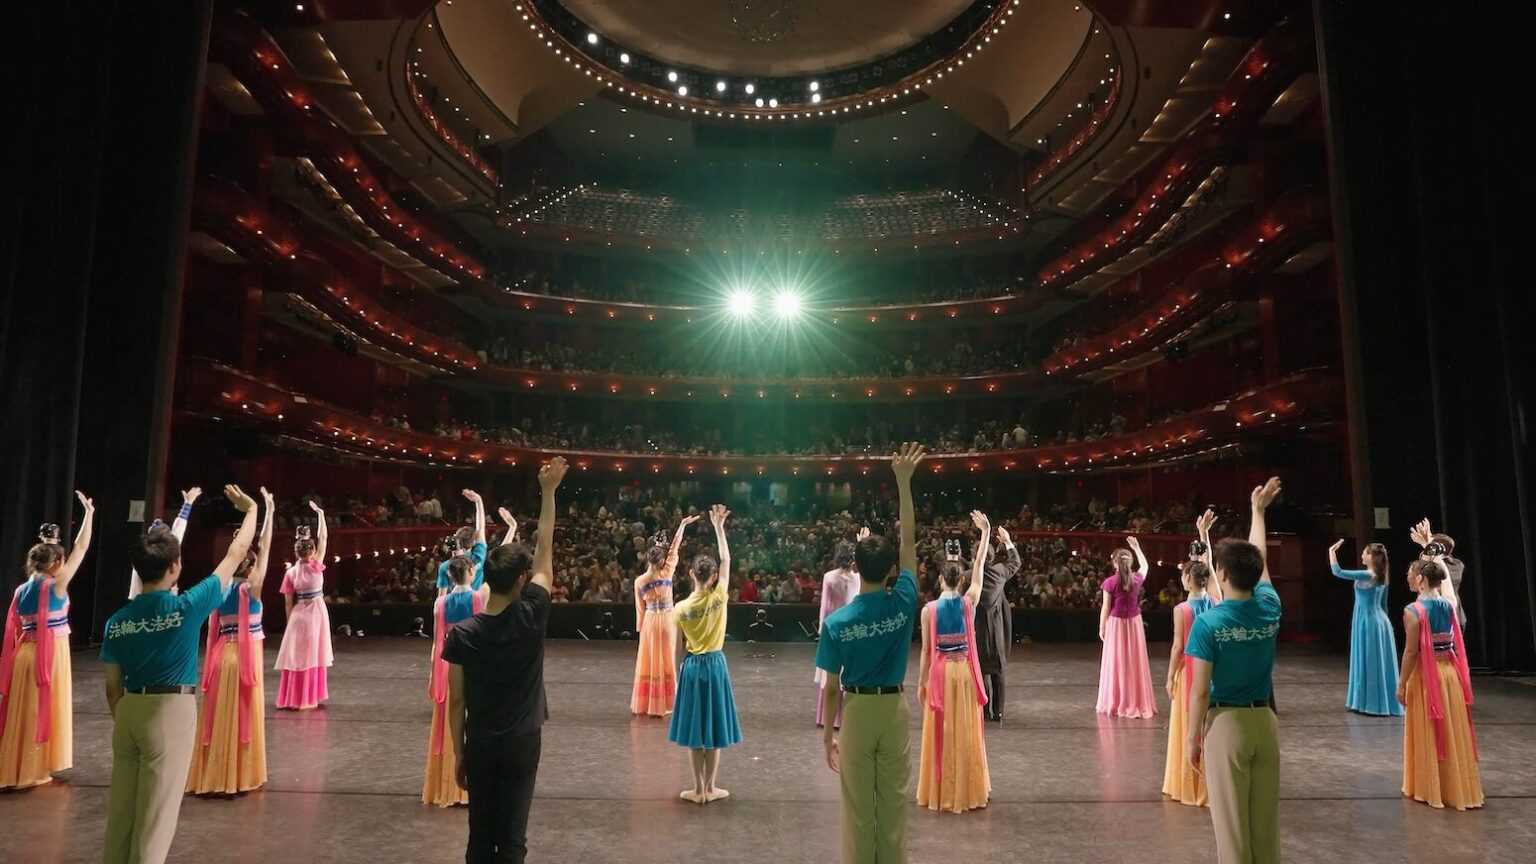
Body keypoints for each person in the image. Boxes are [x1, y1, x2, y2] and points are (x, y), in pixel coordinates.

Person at [102, 485, 259, 864]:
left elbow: (111, 687)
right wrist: (252, 509)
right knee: (155, 820)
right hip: (169, 712)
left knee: (122, 816)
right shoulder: (188, 607)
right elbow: (236, 553)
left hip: (128, 713)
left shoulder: (116, 622)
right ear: (174, 567)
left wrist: (126, 714)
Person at [444, 457, 566, 864]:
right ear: (519, 582)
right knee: (513, 838)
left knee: (480, 835)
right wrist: (548, 491)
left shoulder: (462, 635)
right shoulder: (532, 615)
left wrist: (459, 755)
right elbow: (546, 548)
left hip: (480, 743)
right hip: (522, 741)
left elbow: (456, 702)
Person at [818, 442, 924, 864]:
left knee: (858, 809)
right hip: (894, 709)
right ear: (891, 571)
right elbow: (910, 542)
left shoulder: (837, 622)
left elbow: (829, 689)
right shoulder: (903, 601)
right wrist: (903, 482)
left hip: (857, 713)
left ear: (856, 569)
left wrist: (830, 736)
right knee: (894, 805)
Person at [1186, 477, 1283, 864]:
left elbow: (1198, 690)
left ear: (1221, 575)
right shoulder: (1269, 606)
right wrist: (1258, 513)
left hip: (1226, 726)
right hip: (1266, 724)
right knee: (1265, 831)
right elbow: (1260, 559)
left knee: (1233, 835)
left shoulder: (1209, 623)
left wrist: (1192, 738)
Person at [0, 494, 95, 790]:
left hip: (24, 652)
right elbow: (82, 547)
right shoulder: (57, 584)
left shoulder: (20, 590)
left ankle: (19, 764)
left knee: (23, 710)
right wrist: (89, 514)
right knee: (40, 707)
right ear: (56, 562)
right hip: (50, 651)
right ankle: (33, 768)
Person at [187, 488, 275, 796]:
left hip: (220, 655)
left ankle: (214, 771)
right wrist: (269, 512)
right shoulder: (251, 589)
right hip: (244, 658)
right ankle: (237, 774)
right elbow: (265, 551)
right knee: (241, 715)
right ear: (250, 569)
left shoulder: (219, 589)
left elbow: (245, 554)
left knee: (218, 714)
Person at [915, 510, 992, 813]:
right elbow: (981, 567)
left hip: (939, 674)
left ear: (939, 579)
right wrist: (984, 534)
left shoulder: (928, 610)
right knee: (964, 730)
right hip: (963, 673)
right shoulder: (969, 601)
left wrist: (921, 682)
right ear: (960, 578)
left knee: (942, 730)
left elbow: (924, 652)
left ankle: (942, 789)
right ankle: (965, 788)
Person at [668, 504, 742, 804]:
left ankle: (697, 790)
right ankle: (711, 788)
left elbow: (676, 649)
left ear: (690, 574)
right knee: (713, 730)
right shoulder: (720, 595)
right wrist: (719, 527)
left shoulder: (681, 608)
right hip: (715, 665)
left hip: (692, 667)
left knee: (694, 730)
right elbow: (727, 559)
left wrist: (676, 679)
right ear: (712, 578)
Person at [1398, 556, 1482, 810]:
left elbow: (1411, 652)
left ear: (1421, 579)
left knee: (1432, 730)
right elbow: (1447, 588)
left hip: (1427, 675)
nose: (1409, 578)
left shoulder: (1413, 611)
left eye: (1411, 574)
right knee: (1452, 730)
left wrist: (1401, 685)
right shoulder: (1448, 605)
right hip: (1450, 675)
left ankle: (1431, 787)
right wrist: (1432, 554)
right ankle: (1453, 786)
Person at [1162, 509, 1220, 807]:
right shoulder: (1215, 602)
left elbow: (1177, 647)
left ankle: (1189, 782)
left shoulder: (1181, 610)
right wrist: (1204, 536)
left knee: (1188, 725)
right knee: (1207, 723)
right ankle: (1212, 784)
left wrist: (1170, 675)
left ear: (1187, 579)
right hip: (1213, 670)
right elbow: (1211, 572)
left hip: (1189, 670)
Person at [424, 553, 486, 807]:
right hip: (472, 662)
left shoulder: (440, 604)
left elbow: (438, 641)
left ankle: (445, 787)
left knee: (449, 716)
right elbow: (482, 633)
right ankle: (469, 787)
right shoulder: (477, 598)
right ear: (471, 573)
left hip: (446, 663)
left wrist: (433, 673)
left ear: (450, 575)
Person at [631, 516, 699, 717]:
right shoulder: (667, 572)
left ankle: (649, 704)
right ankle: (666, 702)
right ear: (660, 559)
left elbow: (640, 609)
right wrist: (682, 526)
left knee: (651, 660)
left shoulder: (639, 581)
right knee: (667, 658)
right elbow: (674, 549)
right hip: (668, 619)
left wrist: (640, 628)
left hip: (651, 621)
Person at [1327, 538, 1402, 717]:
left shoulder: (1368, 574)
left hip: (1369, 621)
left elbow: (1337, 572)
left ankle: (1371, 703)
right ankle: (1365, 701)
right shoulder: (1382, 574)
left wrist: (1332, 552)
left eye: (1364, 552)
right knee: (1372, 660)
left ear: (1371, 557)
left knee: (1370, 660)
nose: (1361, 554)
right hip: (1377, 620)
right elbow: (1384, 605)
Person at [275, 501, 332, 710]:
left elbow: (288, 602)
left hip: (299, 614)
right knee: (313, 653)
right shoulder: (316, 566)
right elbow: (324, 538)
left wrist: (291, 623)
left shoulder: (290, 573)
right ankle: (310, 695)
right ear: (312, 549)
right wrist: (321, 515)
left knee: (296, 654)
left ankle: (294, 695)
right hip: (316, 611)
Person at [1095, 535, 1155, 718]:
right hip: (1134, 624)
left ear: (1114, 564)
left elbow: (1105, 607)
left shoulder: (1110, 583)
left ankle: (1117, 700)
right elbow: (1145, 566)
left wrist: (1101, 627)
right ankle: (1134, 700)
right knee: (1134, 661)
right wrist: (1137, 548)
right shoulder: (1137, 579)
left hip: (1116, 625)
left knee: (1116, 661)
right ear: (1130, 563)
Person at [816, 533, 864, 729]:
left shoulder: (829, 577)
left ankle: (826, 717)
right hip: (852, 628)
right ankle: (846, 716)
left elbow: (824, 606)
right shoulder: (858, 578)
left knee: (830, 671)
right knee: (848, 671)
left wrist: (821, 629)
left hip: (833, 627)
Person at [974, 523, 1021, 722]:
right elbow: (1015, 562)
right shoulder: (999, 573)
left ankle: (983, 710)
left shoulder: (969, 578)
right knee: (998, 670)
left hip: (977, 629)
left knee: (980, 670)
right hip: (996, 629)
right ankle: (998, 711)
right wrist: (1008, 542)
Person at [129, 488, 199, 599]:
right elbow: (178, 532)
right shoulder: (145, 554)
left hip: (157, 600)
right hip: (148, 600)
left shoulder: (148, 551)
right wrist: (188, 504)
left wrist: (188, 504)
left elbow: (178, 531)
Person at [1411, 519, 1467, 629]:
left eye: (1430, 546)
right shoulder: (1454, 564)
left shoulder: (1453, 566)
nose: (1427, 549)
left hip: (1448, 618)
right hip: (1446, 616)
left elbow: (1434, 573)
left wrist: (1427, 543)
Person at [438, 491, 490, 596]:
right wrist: (478, 501)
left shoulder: (445, 566)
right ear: (474, 542)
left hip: (454, 609)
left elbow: (441, 598)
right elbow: (480, 528)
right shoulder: (479, 556)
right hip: (475, 607)